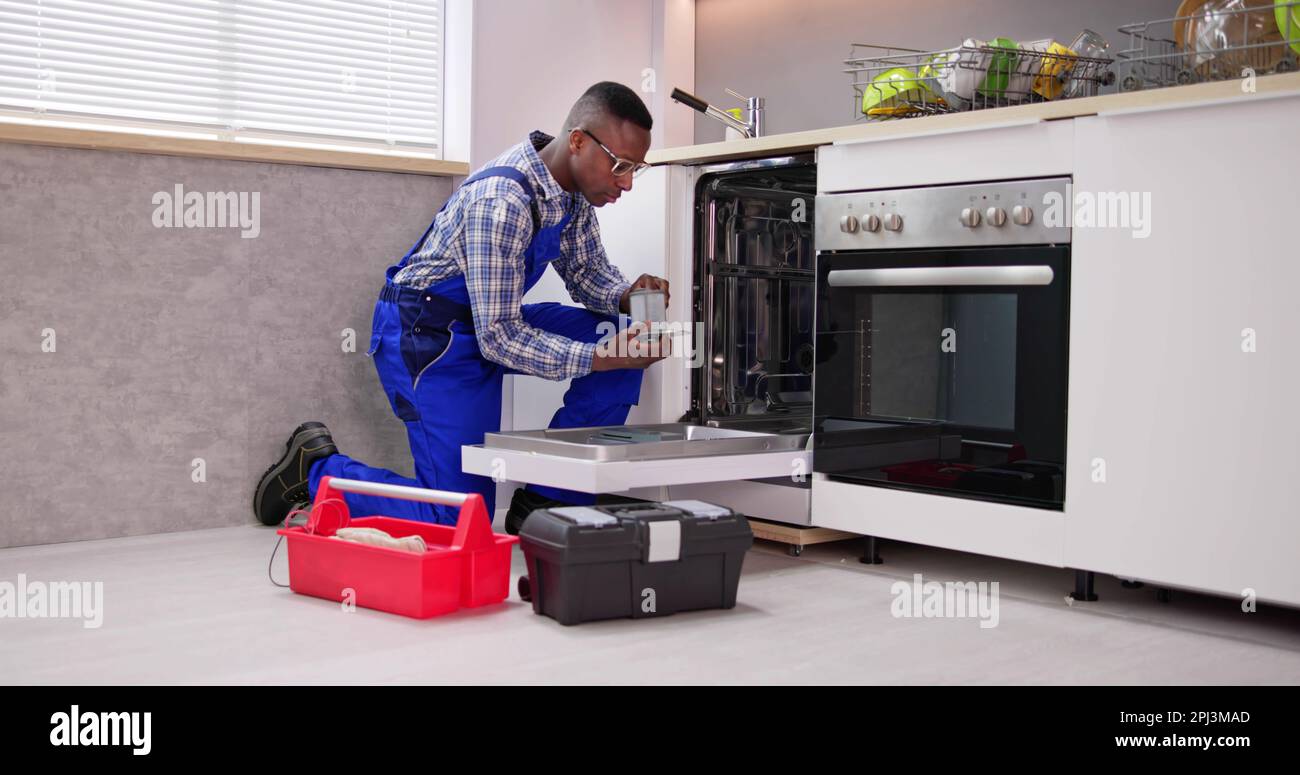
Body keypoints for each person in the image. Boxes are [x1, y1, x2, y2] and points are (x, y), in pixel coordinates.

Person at [253, 82, 671, 534]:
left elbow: (587, 272)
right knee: (456, 520)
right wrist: (595, 357)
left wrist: (625, 295)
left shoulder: (571, 193)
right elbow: (500, 339)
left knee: (621, 342)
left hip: (489, 318)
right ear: (577, 141)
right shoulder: (503, 201)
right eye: (622, 165)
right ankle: (316, 471)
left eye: (636, 170)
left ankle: (549, 499)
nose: (627, 183)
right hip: (429, 336)